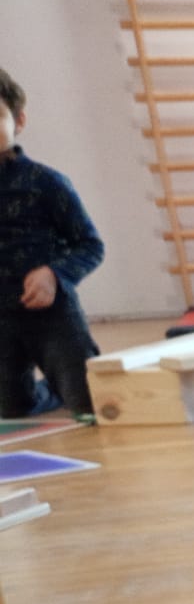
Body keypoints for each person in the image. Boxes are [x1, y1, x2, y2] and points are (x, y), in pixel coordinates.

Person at [0, 66, 105, 420]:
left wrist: (54, 275)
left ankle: (66, 384)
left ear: (19, 120)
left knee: (89, 401)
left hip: (52, 315)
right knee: (13, 409)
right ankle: (49, 392)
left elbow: (90, 245)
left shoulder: (46, 182)